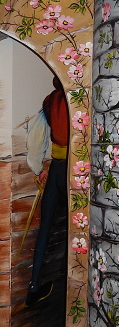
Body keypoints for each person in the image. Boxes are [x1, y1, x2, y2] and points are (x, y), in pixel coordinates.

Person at [25, 76, 69, 307]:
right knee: (76, 224)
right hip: (75, 171)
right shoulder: (78, 101)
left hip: (56, 170)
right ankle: (68, 275)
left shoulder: (49, 101)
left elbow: (36, 138)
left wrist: (38, 168)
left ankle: (33, 287)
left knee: (45, 228)